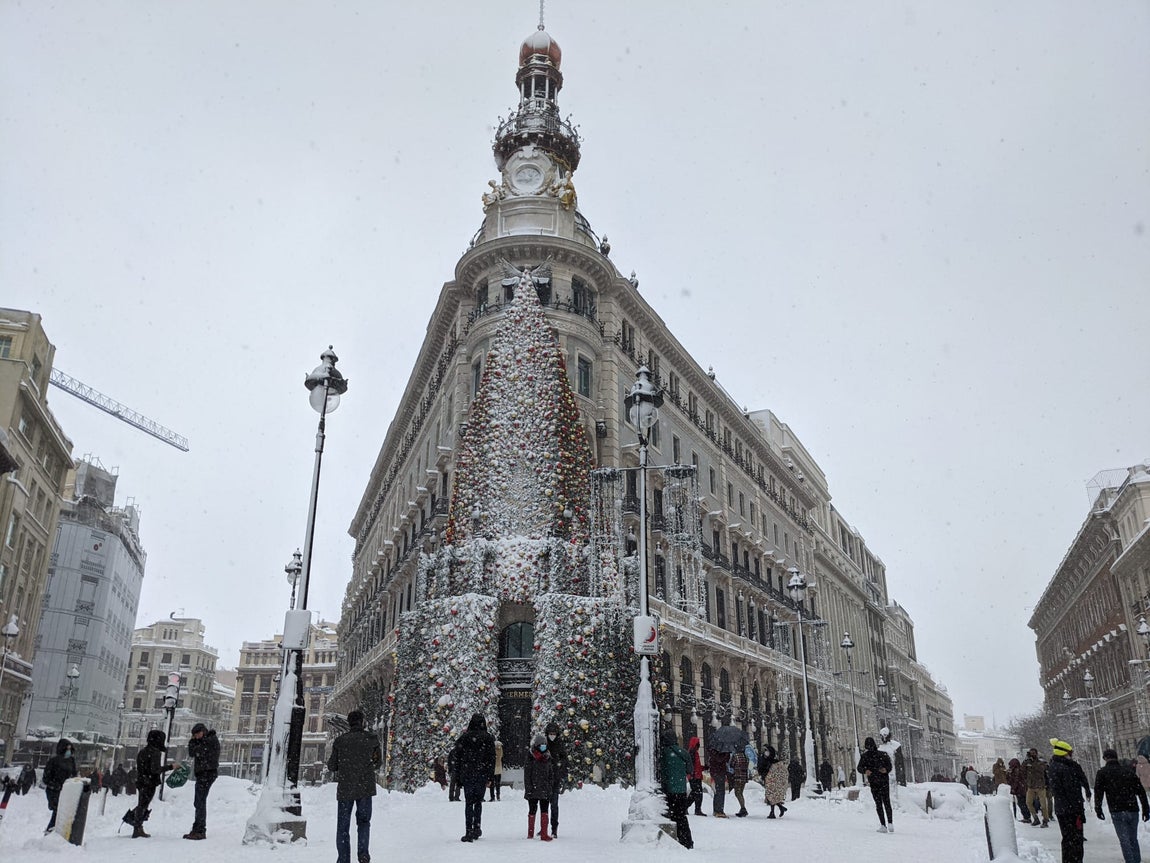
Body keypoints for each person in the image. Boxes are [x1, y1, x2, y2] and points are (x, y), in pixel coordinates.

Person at [327, 709, 381, 863]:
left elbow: (332, 766)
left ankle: (344, 859)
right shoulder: (371, 739)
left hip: (345, 788)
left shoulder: (340, 741)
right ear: (362, 722)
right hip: (365, 788)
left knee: (343, 825)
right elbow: (378, 762)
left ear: (349, 723)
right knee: (364, 822)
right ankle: (363, 854)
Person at [1095, 747, 1149, 863]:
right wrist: (1146, 808)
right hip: (1132, 809)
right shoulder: (1128, 771)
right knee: (1133, 839)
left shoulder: (1102, 773)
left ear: (1105, 758)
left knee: (1124, 841)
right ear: (1116, 757)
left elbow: (1098, 792)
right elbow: (1140, 791)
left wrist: (1098, 808)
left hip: (1117, 810)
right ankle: (1136, 860)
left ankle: (1130, 861)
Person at [452, 713, 495, 842]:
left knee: (469, 802)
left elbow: (457, 758)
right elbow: (491, 759)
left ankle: (468, 830)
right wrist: (490, 777)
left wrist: (458, 777)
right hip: (481, 774)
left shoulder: (464, 738)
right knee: (478, 802)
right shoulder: (488, 739)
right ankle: (477, 827)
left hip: (468, 774)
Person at [1047, 738, 1091, 863]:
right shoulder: (1066, 769)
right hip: (1071, 810)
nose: (1071, 755)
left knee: (1067, 839)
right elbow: (1071, 791)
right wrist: (1078, 810)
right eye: (1070, 752)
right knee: (1075, 840)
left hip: (1062, 809)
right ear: (1064, 753)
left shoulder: (1053, 766)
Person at [132, 729, 175, 838]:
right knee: (144, 805)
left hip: (141, 781)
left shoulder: (142, 752)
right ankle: (138, 827)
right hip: (149, 782)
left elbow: (142, 768)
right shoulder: (155, 752)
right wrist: (170, 767)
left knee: (141, 803)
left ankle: (137, 826)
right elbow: (155, 769)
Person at [183, 722, 220, 840]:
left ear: (203, 731)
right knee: (199, 801)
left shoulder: (210, 740)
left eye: (198, 734)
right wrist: (194, 741)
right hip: (203, 773)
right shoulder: (204, 740)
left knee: (200, 801)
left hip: (207, 773)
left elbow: (197, 751)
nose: (197, 737)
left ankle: (200, 830)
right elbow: (192, 752)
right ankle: (197, 828)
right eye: (195, 735)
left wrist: (195, 743)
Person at [659, 729, 693, 849]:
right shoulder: (683, 752)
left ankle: (676, 840)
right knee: (681, 816)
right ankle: (687, 841)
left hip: (668, 790)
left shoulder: (663, 753)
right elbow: (690, 770)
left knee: (671, 816)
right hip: (681, 790)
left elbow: (661, 771)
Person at [858, 737, 894, 833]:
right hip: (883, 781)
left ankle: (883, 825)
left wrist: (866, 771)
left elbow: (859, 768)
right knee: (887, 802)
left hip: (874, 782)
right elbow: (889, 766)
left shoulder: (865, 756)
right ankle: (890, 823)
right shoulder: (883, 754)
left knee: (879, 804)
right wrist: (885, 770)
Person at [523, 734, 555, 841]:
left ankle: (544, 834)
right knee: (532, 810)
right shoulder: (531, 757)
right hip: (533, 789)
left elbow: (551, 774)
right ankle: (530, 833)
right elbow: (527, 775)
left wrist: (549, 786)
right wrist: (528, 789)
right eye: (541, 745)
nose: (543, 747)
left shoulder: (548, 757)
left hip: (545, 789)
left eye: (545, 745)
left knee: (545, 810)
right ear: (536, 745)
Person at [43, 738, 77, 832]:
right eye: (67, 749)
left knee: (62, 812)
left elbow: (74, 775)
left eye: (70, 749)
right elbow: (46, 778)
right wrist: (55, 785)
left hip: (66, 791)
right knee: (58, 811)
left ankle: (55, 831)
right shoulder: (53, 761)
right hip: (54, 791)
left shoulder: (71, 761)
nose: (69, 751)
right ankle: (50, 831)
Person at [544, 721, 568, 837]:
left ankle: (554, 828)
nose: (552, 735)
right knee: (544, 805)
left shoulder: (560, 744)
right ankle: (544, 827)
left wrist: (560, 768)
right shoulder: (544, 743)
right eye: (550, 733)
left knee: (554, 805)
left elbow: (565, 760)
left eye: (554, 733)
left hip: (555, 779)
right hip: (545, 779)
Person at [1024, 747, 1051, 827]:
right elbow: (1022, 770)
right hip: (1031, 786)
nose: (1032, 754)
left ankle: (1045, 820)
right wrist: (1027, 760)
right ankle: (1035, 818)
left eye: (1033, 753)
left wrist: (1032, 762)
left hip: (1040, 786)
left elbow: (1040, 770)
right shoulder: (1027, 762)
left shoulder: (1041, 762)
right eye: (1031, 753)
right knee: (1028, 803)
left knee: (1043, 805)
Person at [760, 744, 788, 818]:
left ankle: (772, 812)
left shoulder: (773, 761)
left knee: (771, 795)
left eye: (766, 750)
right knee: (771, 796)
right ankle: (780, 808)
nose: (765, 752)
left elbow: (778, 770)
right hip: (768, 779)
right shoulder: (764, 759)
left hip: (772, 781)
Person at [706, 742, 730, 817]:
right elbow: (721, 760)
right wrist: (726, 754)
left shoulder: (712, 752)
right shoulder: (718, 753)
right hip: (719, 773)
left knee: (717, 791)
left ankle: (716, 809)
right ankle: (719, 810)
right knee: (720, 791)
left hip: (716, 773)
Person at [1007, 757, 1031, 823]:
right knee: (1023, 803)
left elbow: (1015, 781)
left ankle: (1027, 817)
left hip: (1019, 790)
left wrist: (1013, 789)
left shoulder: (1016, 771)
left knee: (1021, 803)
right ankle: (1027, 816)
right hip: (1022, 789)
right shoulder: (1019, 770)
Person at [729, 744, 749, 817]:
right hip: (744, 778)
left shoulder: (736, 756)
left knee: (737, 793)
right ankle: (742, 808)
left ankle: (743, 808)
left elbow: (732, 765)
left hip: (737, 777)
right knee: (740, 792)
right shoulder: (745, 756)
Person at [687, 736, 706, 816]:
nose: (699, 746)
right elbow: (692, 766)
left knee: (695, 793)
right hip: (694, 777)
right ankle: (696, 809)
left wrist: (703, 768)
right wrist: (693, 774)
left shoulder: (694, 753)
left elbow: (696, 766)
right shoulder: (692, 753)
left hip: (696, 776)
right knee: (697, 793)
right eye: (698, 744)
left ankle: (691, 808)